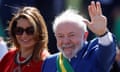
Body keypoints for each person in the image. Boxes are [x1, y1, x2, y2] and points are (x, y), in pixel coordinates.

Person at [42, 1, 116, 72]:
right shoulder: (49, 62)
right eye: (60, 36)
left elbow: (107, 52)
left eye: (71, 35)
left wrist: (102, 33)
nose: (66, 41)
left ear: (85, 36)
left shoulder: (94, 55)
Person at [0, 6, 49, 72]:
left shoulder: (46, 62)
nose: (24, 35)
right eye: (19, 30)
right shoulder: (9, 56)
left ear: (39, 32)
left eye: (30, 30)